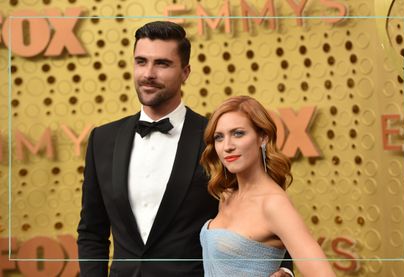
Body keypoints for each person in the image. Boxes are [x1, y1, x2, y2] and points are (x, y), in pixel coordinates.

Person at [77, 21, 294, 276]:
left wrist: (283, 270)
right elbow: (92, 231)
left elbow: (260, 206)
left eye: (162, 64)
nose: (148, 73)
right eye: (141, 61)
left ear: (185, 72)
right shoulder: (103, 139)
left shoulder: (216, 138)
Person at [200, 96, 335, 277]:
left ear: (263, 137)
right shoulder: (227, 195)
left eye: (238, 133)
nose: (227, 146)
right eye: (219, 137)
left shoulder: (274, 204)